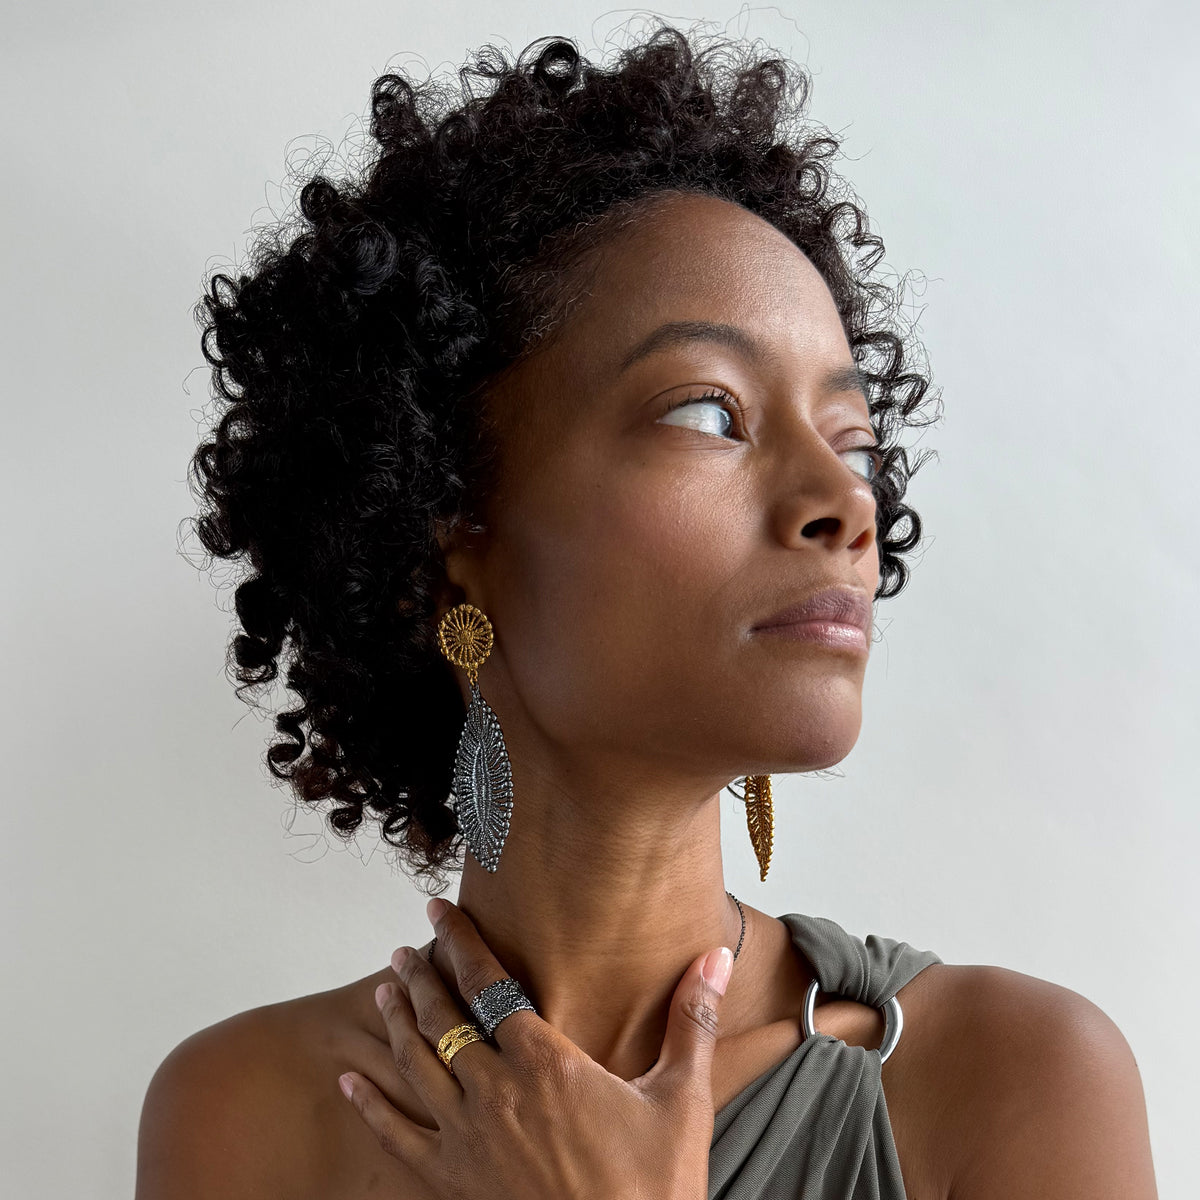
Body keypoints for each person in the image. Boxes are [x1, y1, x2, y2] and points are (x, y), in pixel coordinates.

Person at [135, 22, 1157, 1200]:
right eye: (711, 413)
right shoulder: (248, 1115)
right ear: (452, 518)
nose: (844, 504)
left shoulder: (1008, 1080)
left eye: (854, 440)